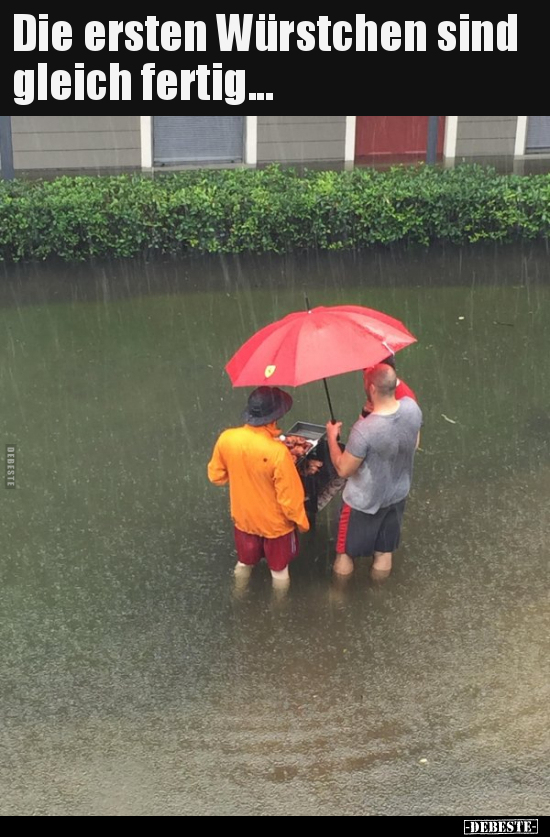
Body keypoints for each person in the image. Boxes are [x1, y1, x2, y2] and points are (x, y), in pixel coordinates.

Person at [326, 364, 422, 579]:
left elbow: (343, 469)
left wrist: (332, 437)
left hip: (363, 502)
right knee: (384, 551)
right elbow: (414, 444)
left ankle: (340, 594)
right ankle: (378, 593)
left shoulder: (364, 430)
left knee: (345, 553)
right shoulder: (412, 408)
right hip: (396, 495)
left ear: (372, 389)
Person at [208, 387, 310, 589]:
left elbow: (216, 476)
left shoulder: (227, 438)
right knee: (279, 571)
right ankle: (279, 607)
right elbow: (289, 498)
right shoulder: (277, 452)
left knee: (244, 562)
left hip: (244, 518)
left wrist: (240, 471)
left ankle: (237, 595)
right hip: (275, 526)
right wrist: (302, 523)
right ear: (274, 417)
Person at [361, 354, 417, 418]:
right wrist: (365, 412)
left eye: (369, 372)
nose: (364, 377)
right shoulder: (378, 392)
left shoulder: (405, 401)